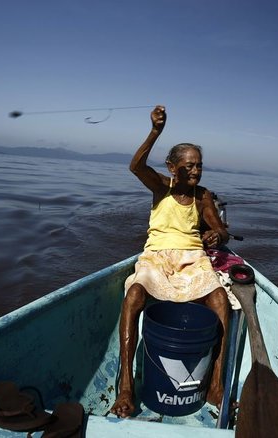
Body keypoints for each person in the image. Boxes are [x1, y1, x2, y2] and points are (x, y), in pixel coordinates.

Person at [111, 105, 230, 418]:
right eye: (189, 166)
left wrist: (217, 236)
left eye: (199, 166)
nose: (195, 172)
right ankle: (126, 387)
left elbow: (219, 229)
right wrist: (155, 131)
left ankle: (216, 384)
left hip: (193, 259)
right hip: (157, 257)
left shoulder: (203, 196)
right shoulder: (160, 186)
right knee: (134, 295)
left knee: (220, 299)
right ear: (172, 167)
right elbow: (135, 166)